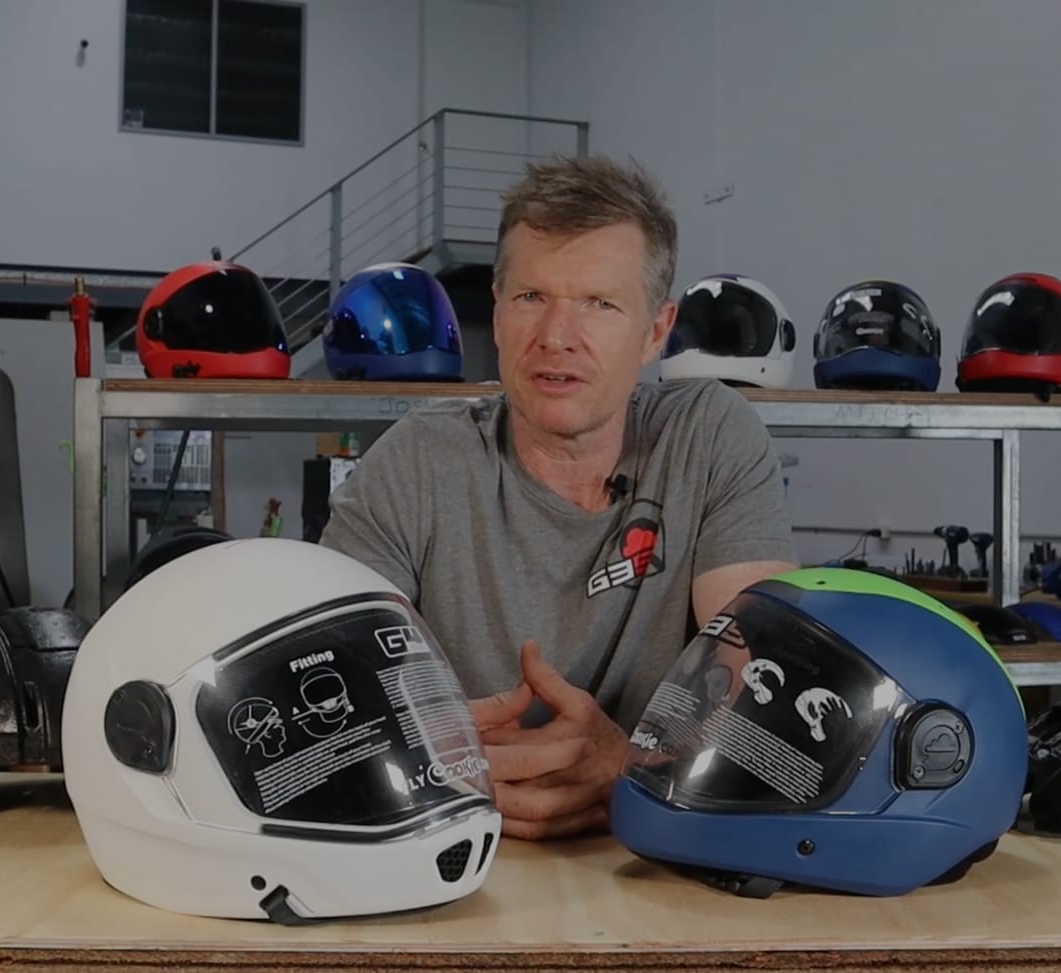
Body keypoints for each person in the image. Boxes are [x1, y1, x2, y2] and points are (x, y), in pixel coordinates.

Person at [319, 154, 799, 840]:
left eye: (599, 304)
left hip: (655, 852)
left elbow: (759, 686)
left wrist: (630, 766)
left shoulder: (708, 436)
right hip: (452, 850)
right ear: (497, 306)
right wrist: (442, 760)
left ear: (655, 332)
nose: (555, 337)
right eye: (530, 297)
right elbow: (334, 683)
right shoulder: (417, 459)